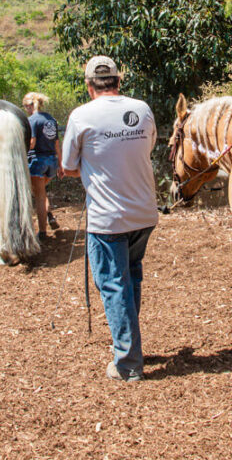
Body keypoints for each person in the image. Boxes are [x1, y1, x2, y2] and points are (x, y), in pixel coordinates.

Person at [60, 56, 158, 382]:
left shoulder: (81, 116)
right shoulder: (142, 109)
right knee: (131, 276)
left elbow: (68, 167)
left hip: (107, 218)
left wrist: (94, 168)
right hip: (144, 213)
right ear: (119, 81)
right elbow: (147, 148)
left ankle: (128, 364)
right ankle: (129, 343)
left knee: (114, 284)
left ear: (89, 86)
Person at [22, 92, 61, 241]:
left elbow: (31, 142)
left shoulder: (32, 120)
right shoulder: (51, 119)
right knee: (41, 192)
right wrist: (61, 164)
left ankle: (43, 232)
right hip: (51, 161)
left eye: (25, 107)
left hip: (37, 161)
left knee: (38, 196)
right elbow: (57, 143)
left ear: (29, 106)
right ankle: (49, 215)